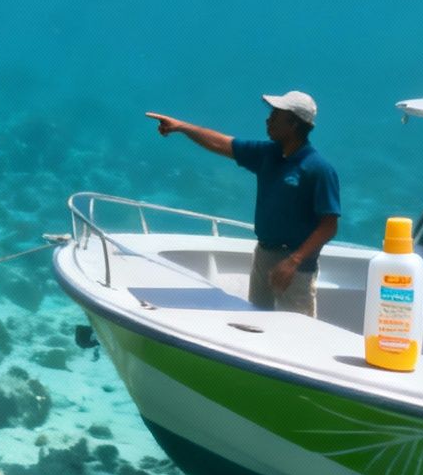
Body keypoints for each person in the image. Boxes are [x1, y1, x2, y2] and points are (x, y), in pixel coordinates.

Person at [145, 91, 340, 315]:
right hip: (264, 254)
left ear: (293, 124)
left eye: (276, 115)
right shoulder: (268, 154)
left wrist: (294, 261)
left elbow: (329, 225)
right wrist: (182, 127)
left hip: (296, 265)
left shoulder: (318, 168)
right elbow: (221, 143)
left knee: (294, 331)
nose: (269, 120)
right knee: (255, 320)